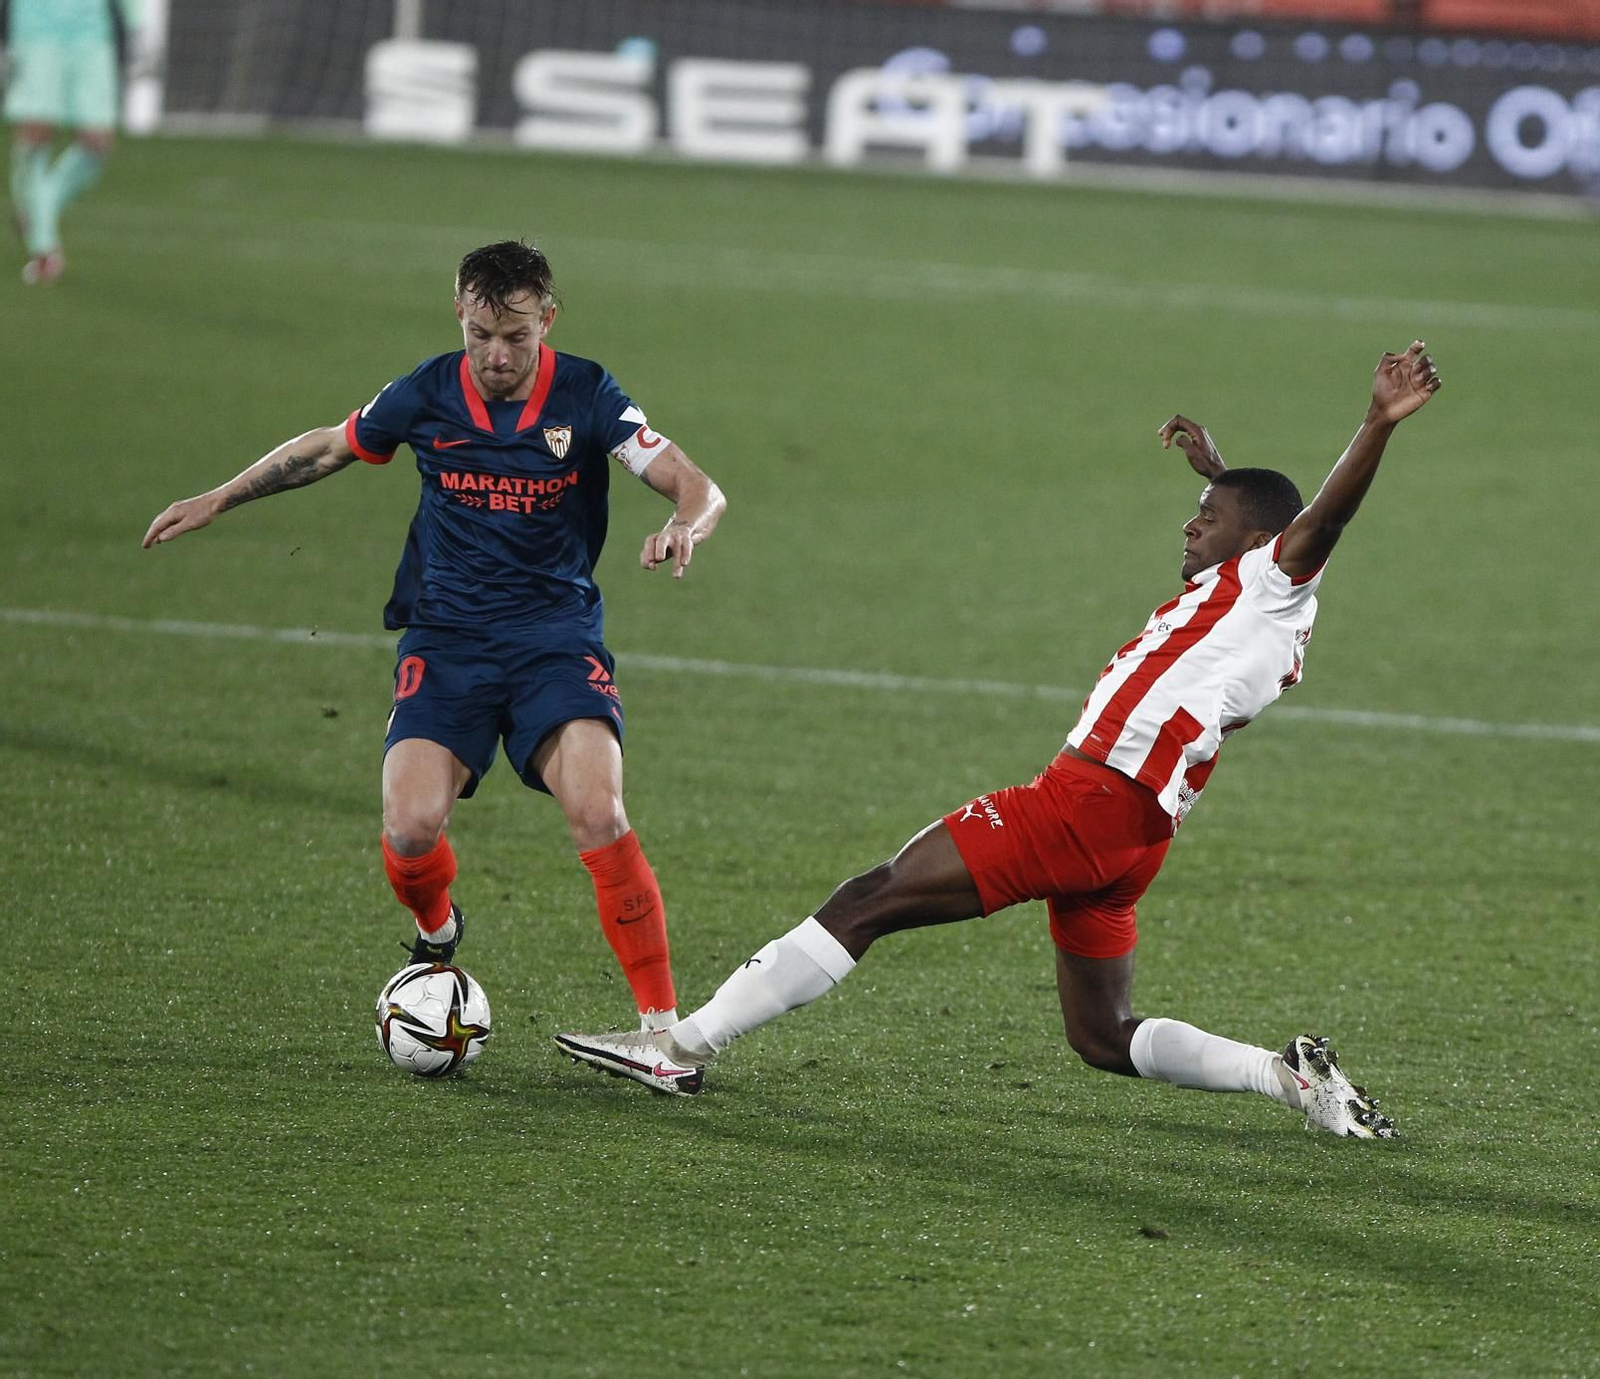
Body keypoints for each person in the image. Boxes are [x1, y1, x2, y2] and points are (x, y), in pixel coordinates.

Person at [556, 342, 1442, 1137]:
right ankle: (1288, 1078)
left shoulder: (1277, 577)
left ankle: (681, 1045)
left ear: (1257, 540)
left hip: (1088, 800)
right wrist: (1217, 473)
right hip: (1135, 832)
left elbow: (1313, 524)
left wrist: (1375, 422)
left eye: (1206, 516)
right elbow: (1267, 522)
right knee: (1101, 1035)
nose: (1188, 523)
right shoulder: (1257, 588)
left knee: (871, 898)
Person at [144, 240, 727, 1068]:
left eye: (517, 337)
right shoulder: (425, 392)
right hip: (446, 641)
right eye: (482, 333)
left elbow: (698, 485)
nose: (497, 356)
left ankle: (663, 1032)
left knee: (600, 811)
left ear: (547, 321)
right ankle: (436, 928)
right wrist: (220, 496)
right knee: (411, 826)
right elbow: (330, 445)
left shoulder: (589, 394)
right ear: (459, 311)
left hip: (554, 640)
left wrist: (683, 526)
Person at [5, 0, 140, 283]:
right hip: (36, 26)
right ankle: (44, 248)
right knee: (38, 128)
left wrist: (135, 23)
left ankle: (36, 207)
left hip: (91, 32)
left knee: (97, 141)